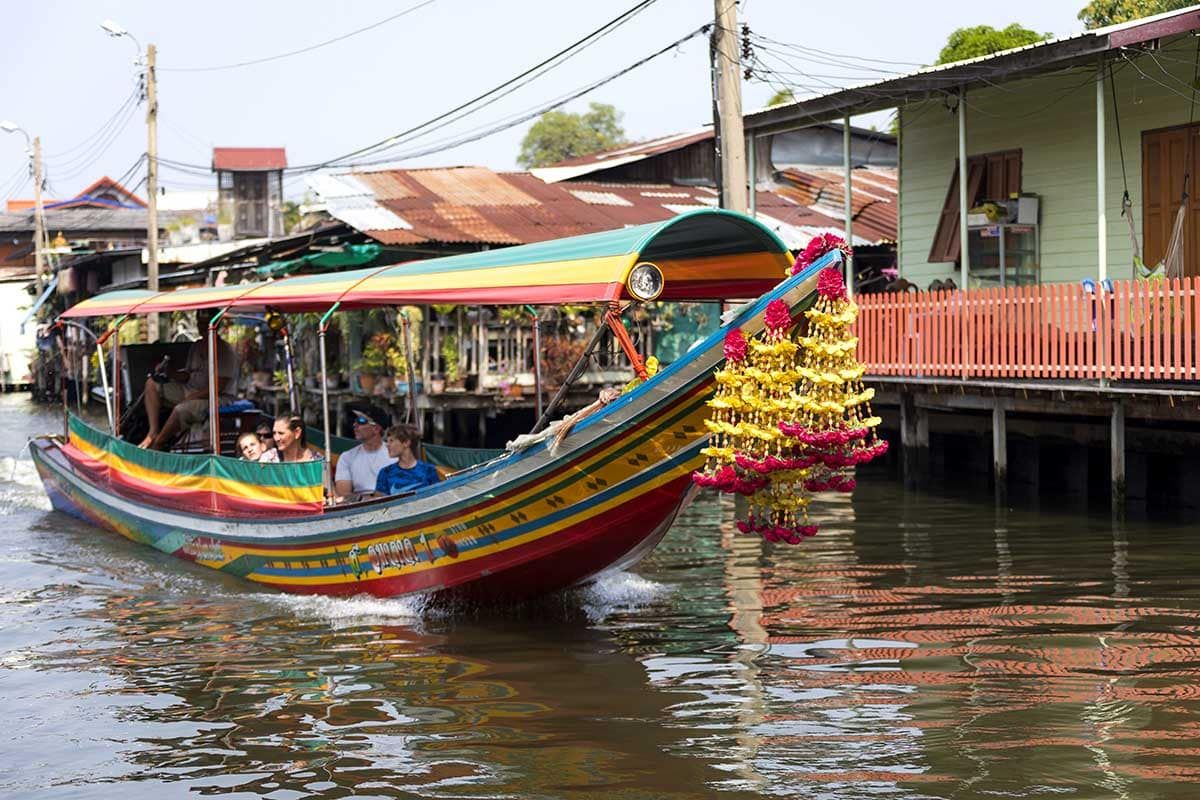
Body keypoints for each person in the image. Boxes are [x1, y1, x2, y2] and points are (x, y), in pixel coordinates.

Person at [140, 311, 239, 450]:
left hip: (218, 398)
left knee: (182, 409)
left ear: (216, 325)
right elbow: (187, 375)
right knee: (152, 383)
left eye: (206, 324)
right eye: (200, 323)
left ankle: (159, 443)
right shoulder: (197, 345)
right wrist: (170, 372)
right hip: (190, 390)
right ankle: (153, 431)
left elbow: (218, 387)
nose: (202, 327)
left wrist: (191, 397)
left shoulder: (225, 350)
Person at [334, 407, 393, 496]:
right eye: (355, 421)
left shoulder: (395, 455)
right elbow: (343, 494)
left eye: (361, 421)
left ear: (376, 429)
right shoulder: (346, 457)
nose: (355, 425)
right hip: (360, 504)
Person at [376, 424, 441, 496]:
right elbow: (379, 504)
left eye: (391, 441)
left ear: (406, 443)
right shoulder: (385, 472)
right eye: (387, 441)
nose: (387, 444)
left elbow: (437, 498)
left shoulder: (428, 470)